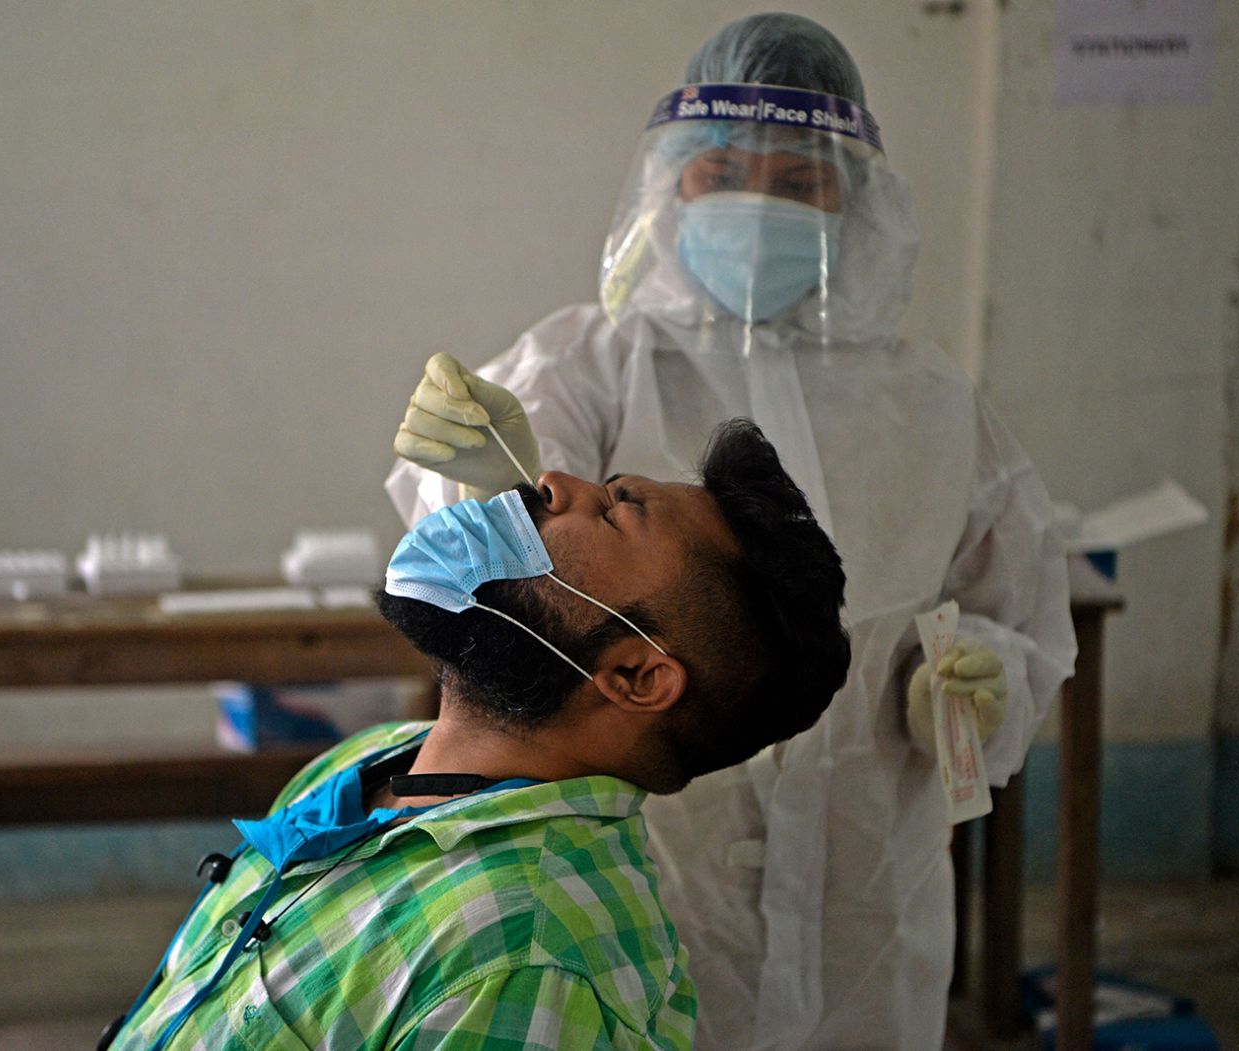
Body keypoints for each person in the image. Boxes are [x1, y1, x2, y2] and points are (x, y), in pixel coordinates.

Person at [387, 12, 1077, 1048]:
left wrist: (986, 676)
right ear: (673, 184)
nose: (760, 201)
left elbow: (1018, 607)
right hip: (641, 862)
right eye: (725, 172)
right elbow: (488, 569)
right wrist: (476, 478)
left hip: (868, 884)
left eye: (798, 181)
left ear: (853, 200)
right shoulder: (592, 360)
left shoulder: (930, 401)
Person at [107, 419, 850, 1050]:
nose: (554, 483)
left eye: (616, 510)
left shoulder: (528, 960)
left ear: (633, 675)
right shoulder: (374, 760)